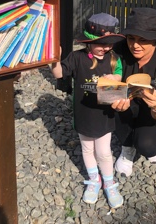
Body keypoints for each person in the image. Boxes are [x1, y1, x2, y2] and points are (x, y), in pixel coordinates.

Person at [50, 13, 126, 208]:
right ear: (88, 42)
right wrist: (54, 60)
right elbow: (59, 74)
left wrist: (116, 80)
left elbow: (119, 75)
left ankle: (109, 182)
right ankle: (94, 180)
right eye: (102, 43)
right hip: (83, 113)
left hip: (104, 115)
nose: (106, 48)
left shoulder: (113, 58)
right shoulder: (77, 57)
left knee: (103, 152)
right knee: (87, 149)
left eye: (109, 43)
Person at [111, 7, 156, 177]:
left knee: (148, 146)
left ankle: (145, 142)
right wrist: (112, 95)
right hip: (127, 102)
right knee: (108, 107)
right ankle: (127, 147)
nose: (135, 45)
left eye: (142, 40)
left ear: (155, 40)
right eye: (131, 38)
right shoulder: (118, 49)